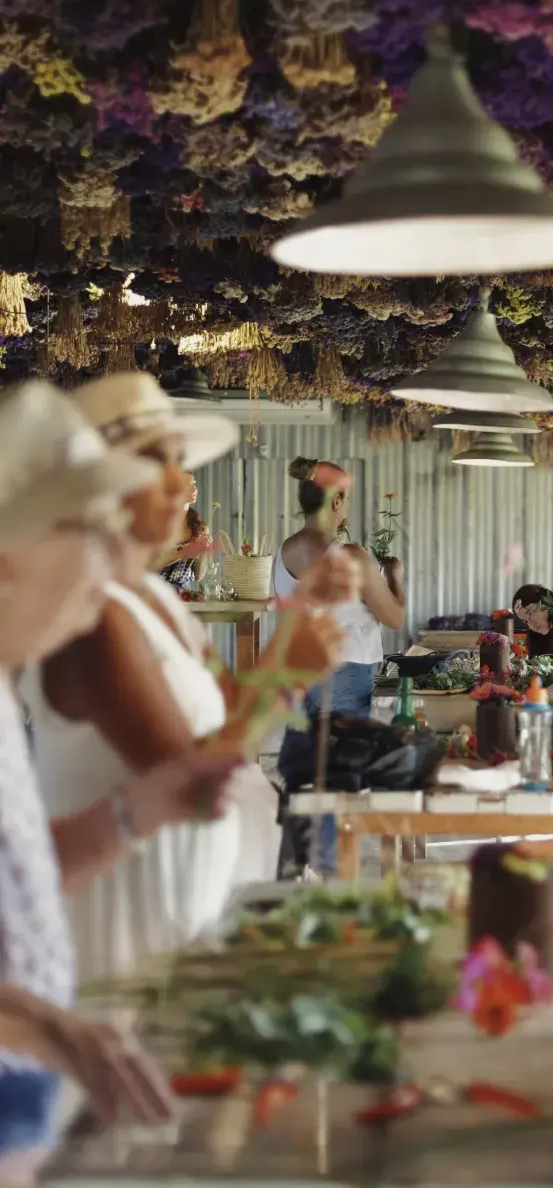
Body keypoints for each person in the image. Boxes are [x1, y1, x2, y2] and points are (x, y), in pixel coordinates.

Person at [22, 375, 347, 985]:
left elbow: (226, 705)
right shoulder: (96, 619)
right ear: (104, 493)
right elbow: (190, 782)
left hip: (186, 894)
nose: (186, 483)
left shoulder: (153, 598)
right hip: (129, 919)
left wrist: (299, 619)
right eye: (162, 466)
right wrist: (286, 673)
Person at [0, 381, 243, 1176]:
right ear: (12, 560)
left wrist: (135, 813)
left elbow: (22, 869)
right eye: (90, 531)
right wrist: (31, 1018)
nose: (110, 559)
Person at [276, 456, 405, 872]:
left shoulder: (285, 552)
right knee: (340, 777)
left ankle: (294, 868)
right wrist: (395, 577)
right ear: (336, 502)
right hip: (344, 673)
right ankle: (334, 873)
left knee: (301, 774)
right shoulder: (350, 555)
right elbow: (395, 616)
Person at [157, 473, 212, 594]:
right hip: (155, 597)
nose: (194, 489)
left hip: (185, 598)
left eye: (194, 483)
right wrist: (182, 554)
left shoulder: (200, 528)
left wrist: (202, 552)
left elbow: (198, 576)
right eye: (187, 485)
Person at [513, 584, 553, 658]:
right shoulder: (536, 638)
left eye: (530, 613)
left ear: (546, 604)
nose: (531, 625)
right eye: (525, 621)